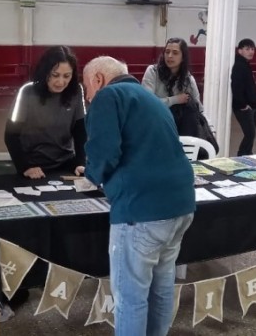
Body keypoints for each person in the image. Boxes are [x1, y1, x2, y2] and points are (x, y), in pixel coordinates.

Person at [83, 56, 195, 336]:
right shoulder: (151, 100)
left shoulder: (108, 96)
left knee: (130, 299)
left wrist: (91, 175)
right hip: (181, 206)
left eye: (86, 89)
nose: (86, 97)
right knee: (161, 289)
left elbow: (104, 152)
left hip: (141, 211)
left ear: (98, 79)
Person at [4, 46, 86, 179]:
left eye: (67, 76)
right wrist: (25, 167)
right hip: (33, 166)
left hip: (66, 163)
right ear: (45, 72)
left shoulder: (76, 91)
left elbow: (80, 130)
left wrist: (80, 162)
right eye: (55, 75)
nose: (61, 82)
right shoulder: (27, 92)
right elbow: (11, 136)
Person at [142, 37, 205, 139]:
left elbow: (199, 110)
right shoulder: (153, 72)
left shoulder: (188, 79)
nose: (170, 56)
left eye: (175, 53)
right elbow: (148, 104)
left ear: (183, 57)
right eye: (167, 52)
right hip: (155, 127)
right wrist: (175, 100)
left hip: (181, 131)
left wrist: (211, 130)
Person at [231, 38, 256, 156]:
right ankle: (242, 155)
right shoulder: (239, 66)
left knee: (251, 134)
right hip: (244, 108)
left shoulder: (245, 65)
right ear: (240, 51)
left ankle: (248, 154)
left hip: (252, 106)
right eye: (247, 49)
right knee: (250, 134)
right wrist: (243, 105)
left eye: (252, 49)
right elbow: (236, 87)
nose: (251, 51)